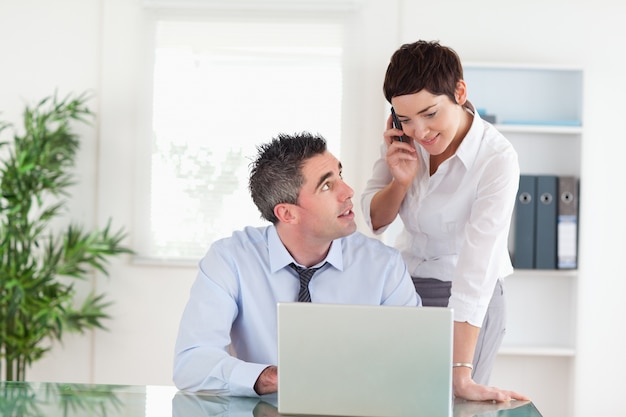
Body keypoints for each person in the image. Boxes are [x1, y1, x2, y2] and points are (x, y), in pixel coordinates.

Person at [173, 132, 420, 396]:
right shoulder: (230, 259)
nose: (348, 191)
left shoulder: (384, 266)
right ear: (287, 213)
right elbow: (191, 364)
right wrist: (271, 378)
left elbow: (418, 360)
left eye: (340, 175)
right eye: (326, 186)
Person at [361, 40, 528, 402]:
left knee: (455, 403)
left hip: (466, 298)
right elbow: (375, 220)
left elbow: (478, 265)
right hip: (406, 290)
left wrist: (461, 372)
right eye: (405, 118)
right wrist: (401, 180)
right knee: (398, 404)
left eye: (430, 113)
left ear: (459, 92)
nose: (420, 131)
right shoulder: (405, 141)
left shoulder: (496, 158)